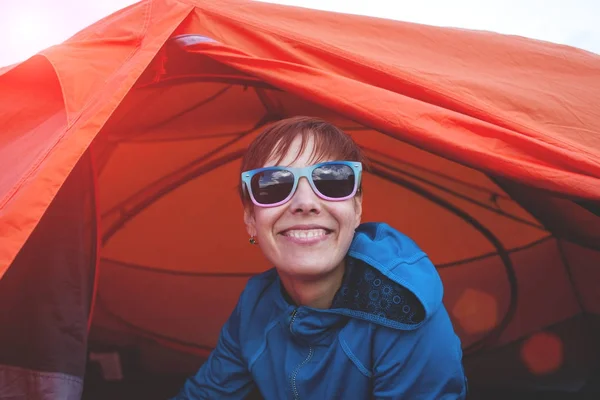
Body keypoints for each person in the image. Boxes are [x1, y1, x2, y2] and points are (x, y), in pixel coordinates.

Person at [172, 116, 467, 399]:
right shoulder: (254, 306)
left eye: (332, 181)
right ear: (251, 220)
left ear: (357, 209)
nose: (305, 203)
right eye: (273, 185)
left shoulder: (403, 309)